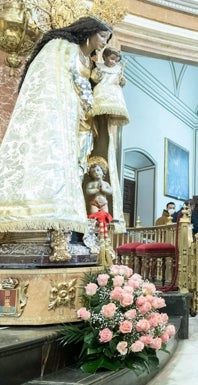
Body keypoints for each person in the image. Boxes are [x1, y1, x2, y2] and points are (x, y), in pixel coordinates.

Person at [0, 16, 115, 234]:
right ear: (88, 32)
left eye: (107, 40)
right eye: (102, 36)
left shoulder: (89, 61)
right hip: (59, 119)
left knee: (75, 166)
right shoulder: (62, 48)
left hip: (81, 123)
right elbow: (50, 82)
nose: (104, 43)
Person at [90, 47, 130, 126]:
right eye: (112, 59)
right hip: (102, 90)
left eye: (116, 61)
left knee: (108, 117)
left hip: (114, 92)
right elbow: (94, 78)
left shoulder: (118, 69)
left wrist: (122, 81)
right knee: (100, 114)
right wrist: (98, 76)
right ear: (105, 57)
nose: (113, 62)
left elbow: (120, 80)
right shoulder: (99, 67)